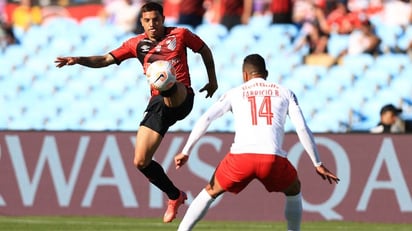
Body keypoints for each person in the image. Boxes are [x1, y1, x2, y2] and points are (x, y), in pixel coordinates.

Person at [54, 1, 218, 223]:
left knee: (163, 76)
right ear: (141, 22)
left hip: (182, 96)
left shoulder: (180, 34)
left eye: (156, 20)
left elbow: (204, 50)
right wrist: (78, 60)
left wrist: (212, 81)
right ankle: (174, 196)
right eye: (148, 21)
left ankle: (165, 81)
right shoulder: (135, 44)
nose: (152, 24)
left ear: (163, 19)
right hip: (158, 104)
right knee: (140, 161)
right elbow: (105, 59)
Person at [174, 54, 339, 231]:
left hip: (241, 158)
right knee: (294, 189)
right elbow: (302, 128)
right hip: (272, 158)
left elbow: (206, 118)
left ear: (244, 75)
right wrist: (317, 162)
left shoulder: (235, 92)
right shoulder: (285, 92)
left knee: (210, 191)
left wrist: (186, 150)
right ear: (266, 73)